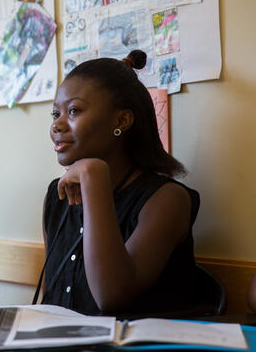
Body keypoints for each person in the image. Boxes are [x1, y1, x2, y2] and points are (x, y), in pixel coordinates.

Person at [35, 50, 202, 316]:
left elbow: (112, 297)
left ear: (121, 121)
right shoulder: (56, 196)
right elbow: (52, 302)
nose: (58, 125)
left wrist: (93, 176)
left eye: (74, 111)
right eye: (56, 114)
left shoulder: (167, 199)